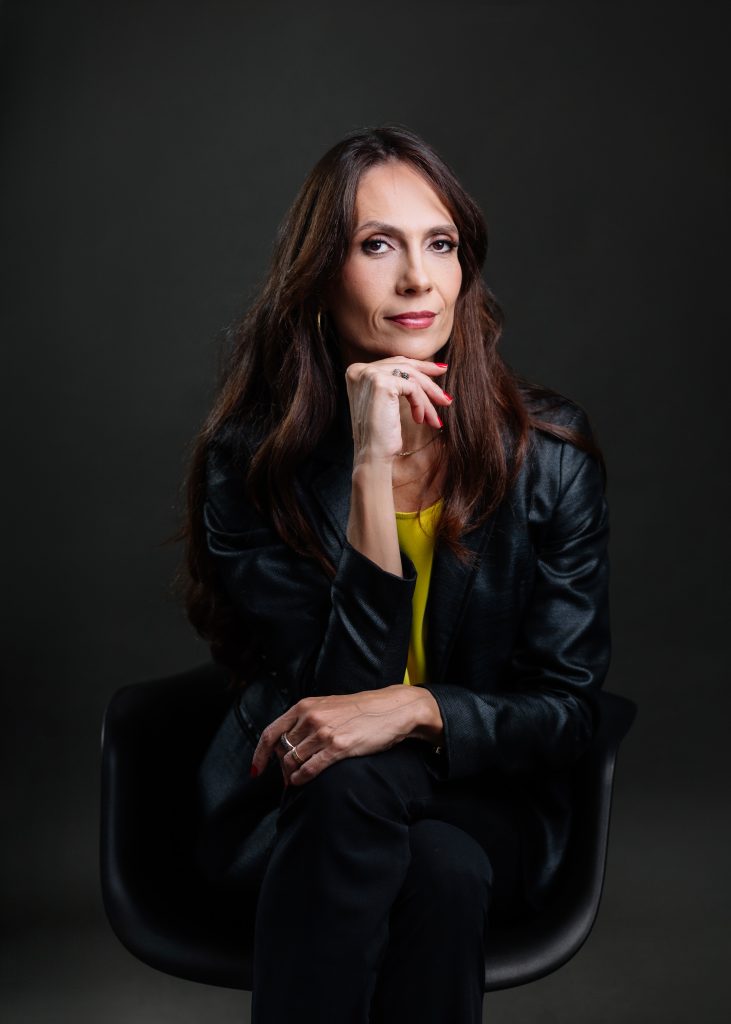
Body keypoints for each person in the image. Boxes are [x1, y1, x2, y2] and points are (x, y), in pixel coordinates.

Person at [177, 123, 610, 1023]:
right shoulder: (252, 463)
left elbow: (567, 711)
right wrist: (373, 468)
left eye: (439, 244)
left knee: (402, 815)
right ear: (319, 277)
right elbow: (335, 709)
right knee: (435, 871)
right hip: (295, 806)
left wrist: (420, 709)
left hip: (481, 798)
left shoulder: (550, 456)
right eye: (377, 245)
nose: (418, 279)